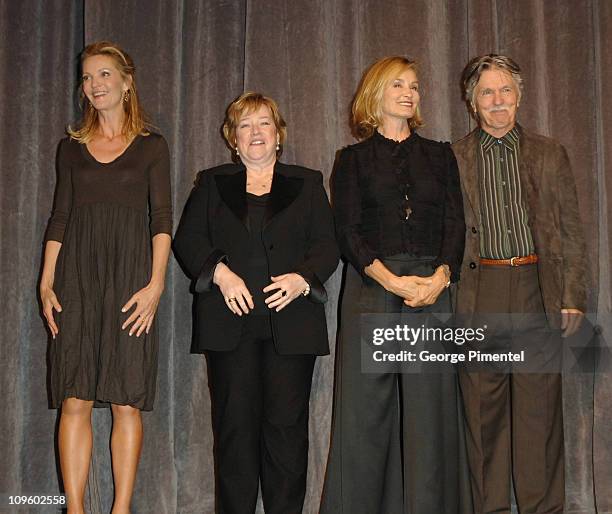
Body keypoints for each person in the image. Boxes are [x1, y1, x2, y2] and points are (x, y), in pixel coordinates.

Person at [173, 91, 338, 514]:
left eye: (264, 123)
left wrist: (303, 278)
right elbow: (188, 241)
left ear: (279, 134)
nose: (255, 133)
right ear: (233, 139)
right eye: (245, 125)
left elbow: (327, 245)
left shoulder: (307, 182)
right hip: (231, 327)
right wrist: (221, 274)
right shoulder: (211, 183)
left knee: (286, 436)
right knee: (234, 435)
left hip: (292, 326)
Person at [321, 56, 472, 514]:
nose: (410, 93)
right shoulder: (352, 160)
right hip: (372, 290)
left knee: (430, 411)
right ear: (375, 95)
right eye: (398, 85)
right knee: (366, 414)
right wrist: (392, 280)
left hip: (431, 291)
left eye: (415, 85)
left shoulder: (440, 154)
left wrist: (440, 277)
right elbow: (347, 232)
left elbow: (455, 224)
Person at [40, 41, 172, 514]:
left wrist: (156, 285)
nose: (94, 85)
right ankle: (73, 508)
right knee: (74, 395)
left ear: (126, 81)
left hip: (130, 281)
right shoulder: (70, 149)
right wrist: (46, 281)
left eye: (103, 75)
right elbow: (59, 217)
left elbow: (161, 219)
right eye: (87, 77)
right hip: (75, 278)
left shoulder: (153, 147)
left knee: (125, 400)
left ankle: (120, 510)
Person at [452, 54, 586, 513]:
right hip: (479, 292)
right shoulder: (453, 159)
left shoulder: (551, 154)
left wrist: (572, 296)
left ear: (520, 96)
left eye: (505, 90)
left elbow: (570, 229)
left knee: (538, 414)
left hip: (536, 289)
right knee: (482, 416)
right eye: (486, 92)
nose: (497, 101)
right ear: (472, 102)